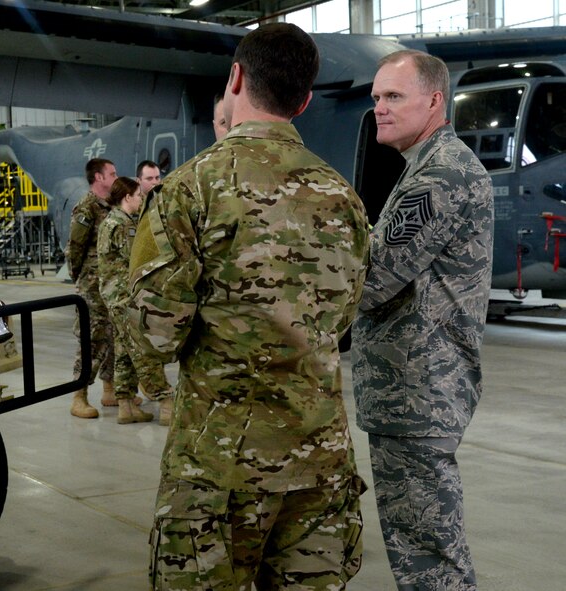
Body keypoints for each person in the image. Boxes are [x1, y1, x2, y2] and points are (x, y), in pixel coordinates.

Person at [128, 23, 369, 590]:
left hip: (220, 466)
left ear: (235, 77)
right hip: (320, 464)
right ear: (304, 100)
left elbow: (154, 335)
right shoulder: (345, 198)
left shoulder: (190, 190)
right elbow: (342, 319)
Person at [351, 49, 494, 591]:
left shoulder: (438, 178)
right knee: (422, 547)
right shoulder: (429, 168)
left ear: (434, 101)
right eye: (376, 98)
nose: (379, 109)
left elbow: (371, 279)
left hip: (417, 391)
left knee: (428, 554)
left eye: (393, 97)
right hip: (412, 389)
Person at [97, 176, 169, 424]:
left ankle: (126, 405)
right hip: (123, 297)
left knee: (124, 350)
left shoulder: (112, 221)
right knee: (141, 348)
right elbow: (136, 259)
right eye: (138, 195)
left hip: (114, 296)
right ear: (127, 197)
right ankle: (165, 399)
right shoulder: (123, 225)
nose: (141, 199)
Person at [66, 157, 118, 418]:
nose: (116, 177)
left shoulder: (110, 206)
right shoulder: (87, 207)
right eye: (112, 173)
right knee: (92, 338)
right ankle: (79, 395)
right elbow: (74, 248)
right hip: (92, 286)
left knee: (112, 336)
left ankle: (110, 389)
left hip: (110, 285)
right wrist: (81, 278)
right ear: (99, 177)